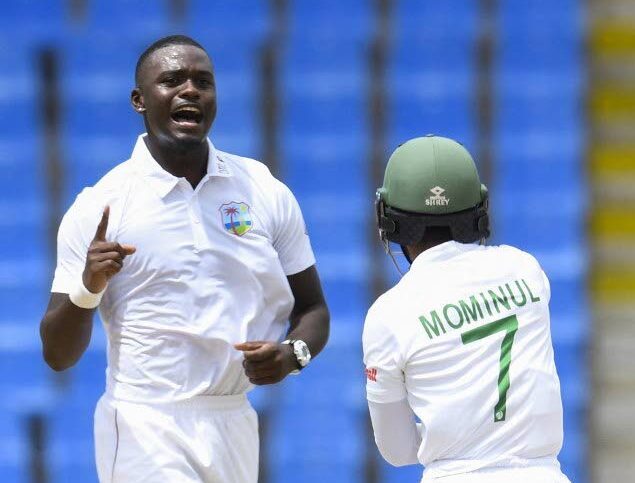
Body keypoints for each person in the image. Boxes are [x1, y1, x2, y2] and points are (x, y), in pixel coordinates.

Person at [39, 35, 329, 483]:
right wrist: (88, 287)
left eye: (203, 82)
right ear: (139, 100)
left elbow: (313, 308)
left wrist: (293, 356)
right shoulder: (101, 205)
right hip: (145, 424)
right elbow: (57, 354)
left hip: (234, 419)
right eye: (171, 80)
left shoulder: (263, 189)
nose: (190, 90)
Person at [363, 135, 569, 482]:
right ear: (479, 209)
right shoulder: (526, 270)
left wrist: (452, 440)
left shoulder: (388, 315)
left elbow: (396, 451)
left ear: (389, 220)